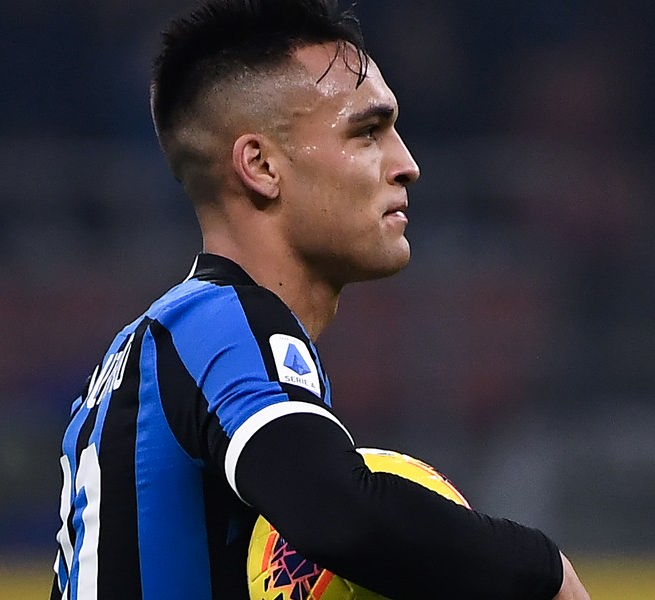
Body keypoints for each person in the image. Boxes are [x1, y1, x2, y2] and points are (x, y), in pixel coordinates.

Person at [51, 1, 591, 599]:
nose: (407, 165)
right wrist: (543, 569)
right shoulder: (225, 324)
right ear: (260, 165)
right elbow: (337, 511)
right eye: (367, 132)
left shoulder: (149, 347)